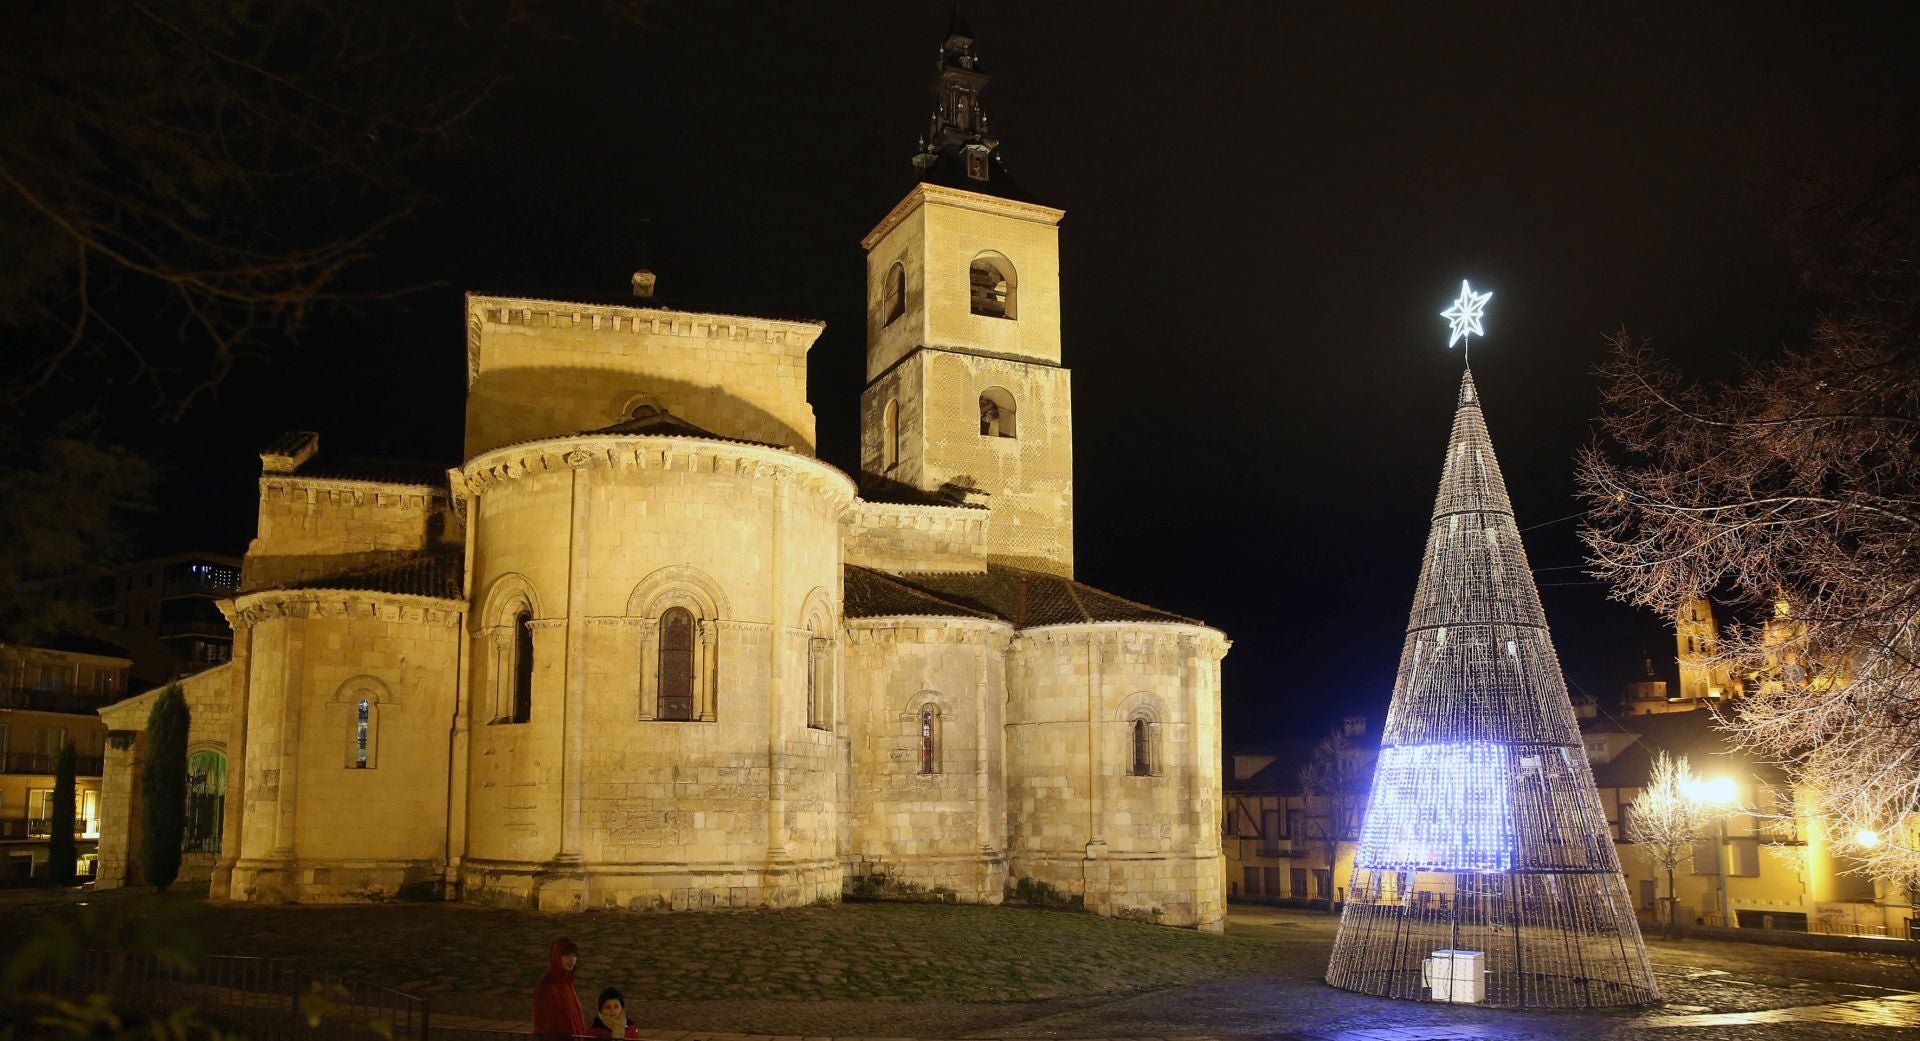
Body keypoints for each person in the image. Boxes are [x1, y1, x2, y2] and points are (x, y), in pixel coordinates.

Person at [532, 938, 587, 1039]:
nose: (571, 960)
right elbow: (544, 1025)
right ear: (556, 956)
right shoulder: (547, 986)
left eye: (574, 955)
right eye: (566, 955)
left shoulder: (567, 983)